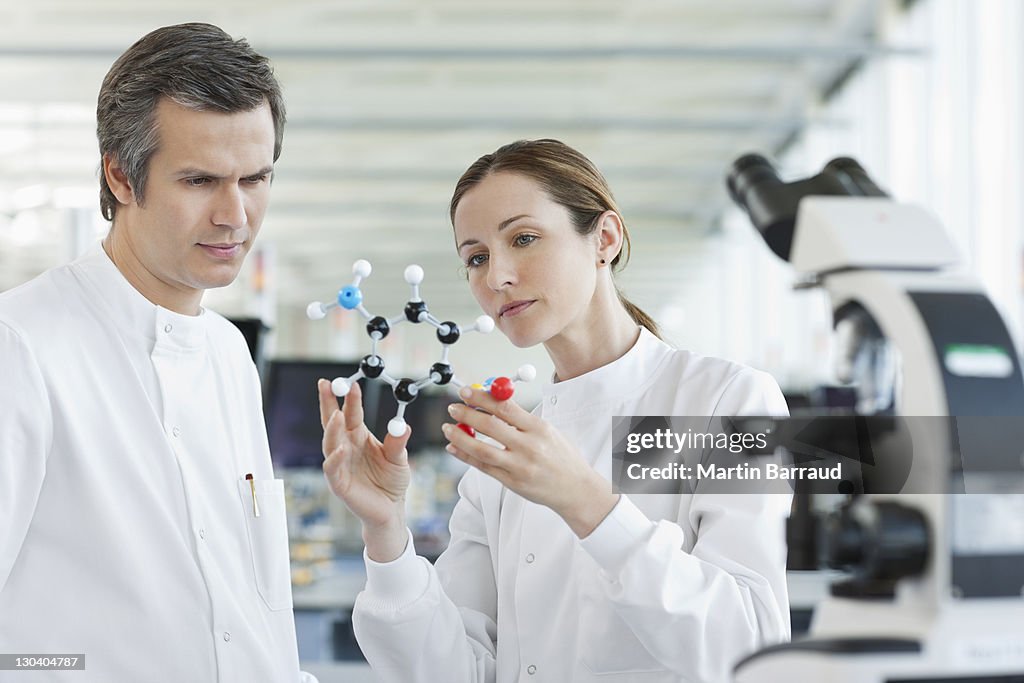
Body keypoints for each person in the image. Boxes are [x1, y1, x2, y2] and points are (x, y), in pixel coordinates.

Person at [318, 139, 791, 683]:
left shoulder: (729, 401)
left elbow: (752, 653)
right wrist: (385, 530)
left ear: (604, 239)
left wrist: (587, 502)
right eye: (476, 258)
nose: (496, 277)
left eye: (524, 238)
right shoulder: (501, 455)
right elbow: (455, 671)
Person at [0, 23, 316, 682]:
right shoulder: (21, 346)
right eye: (201, 180)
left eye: (256, 178)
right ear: (121, 176)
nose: (236, 214)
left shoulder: (229, 353)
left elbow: (254, 605)